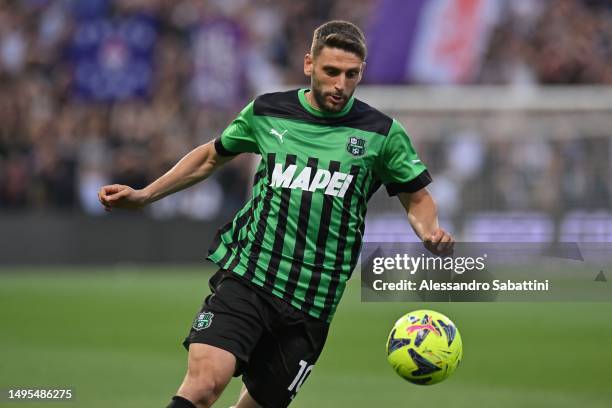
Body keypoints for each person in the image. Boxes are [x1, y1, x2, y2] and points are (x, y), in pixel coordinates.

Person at [98, 20, 453, 408]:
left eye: (351, 75)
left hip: (313, 302)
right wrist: (145, 195)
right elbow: (211, 155)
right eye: (331, 71)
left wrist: (429, 230)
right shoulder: (268, 111)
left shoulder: (381, 133)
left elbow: (416, 197)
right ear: (309, 64)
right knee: (202, 386)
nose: (340, 85)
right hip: (251, 275)